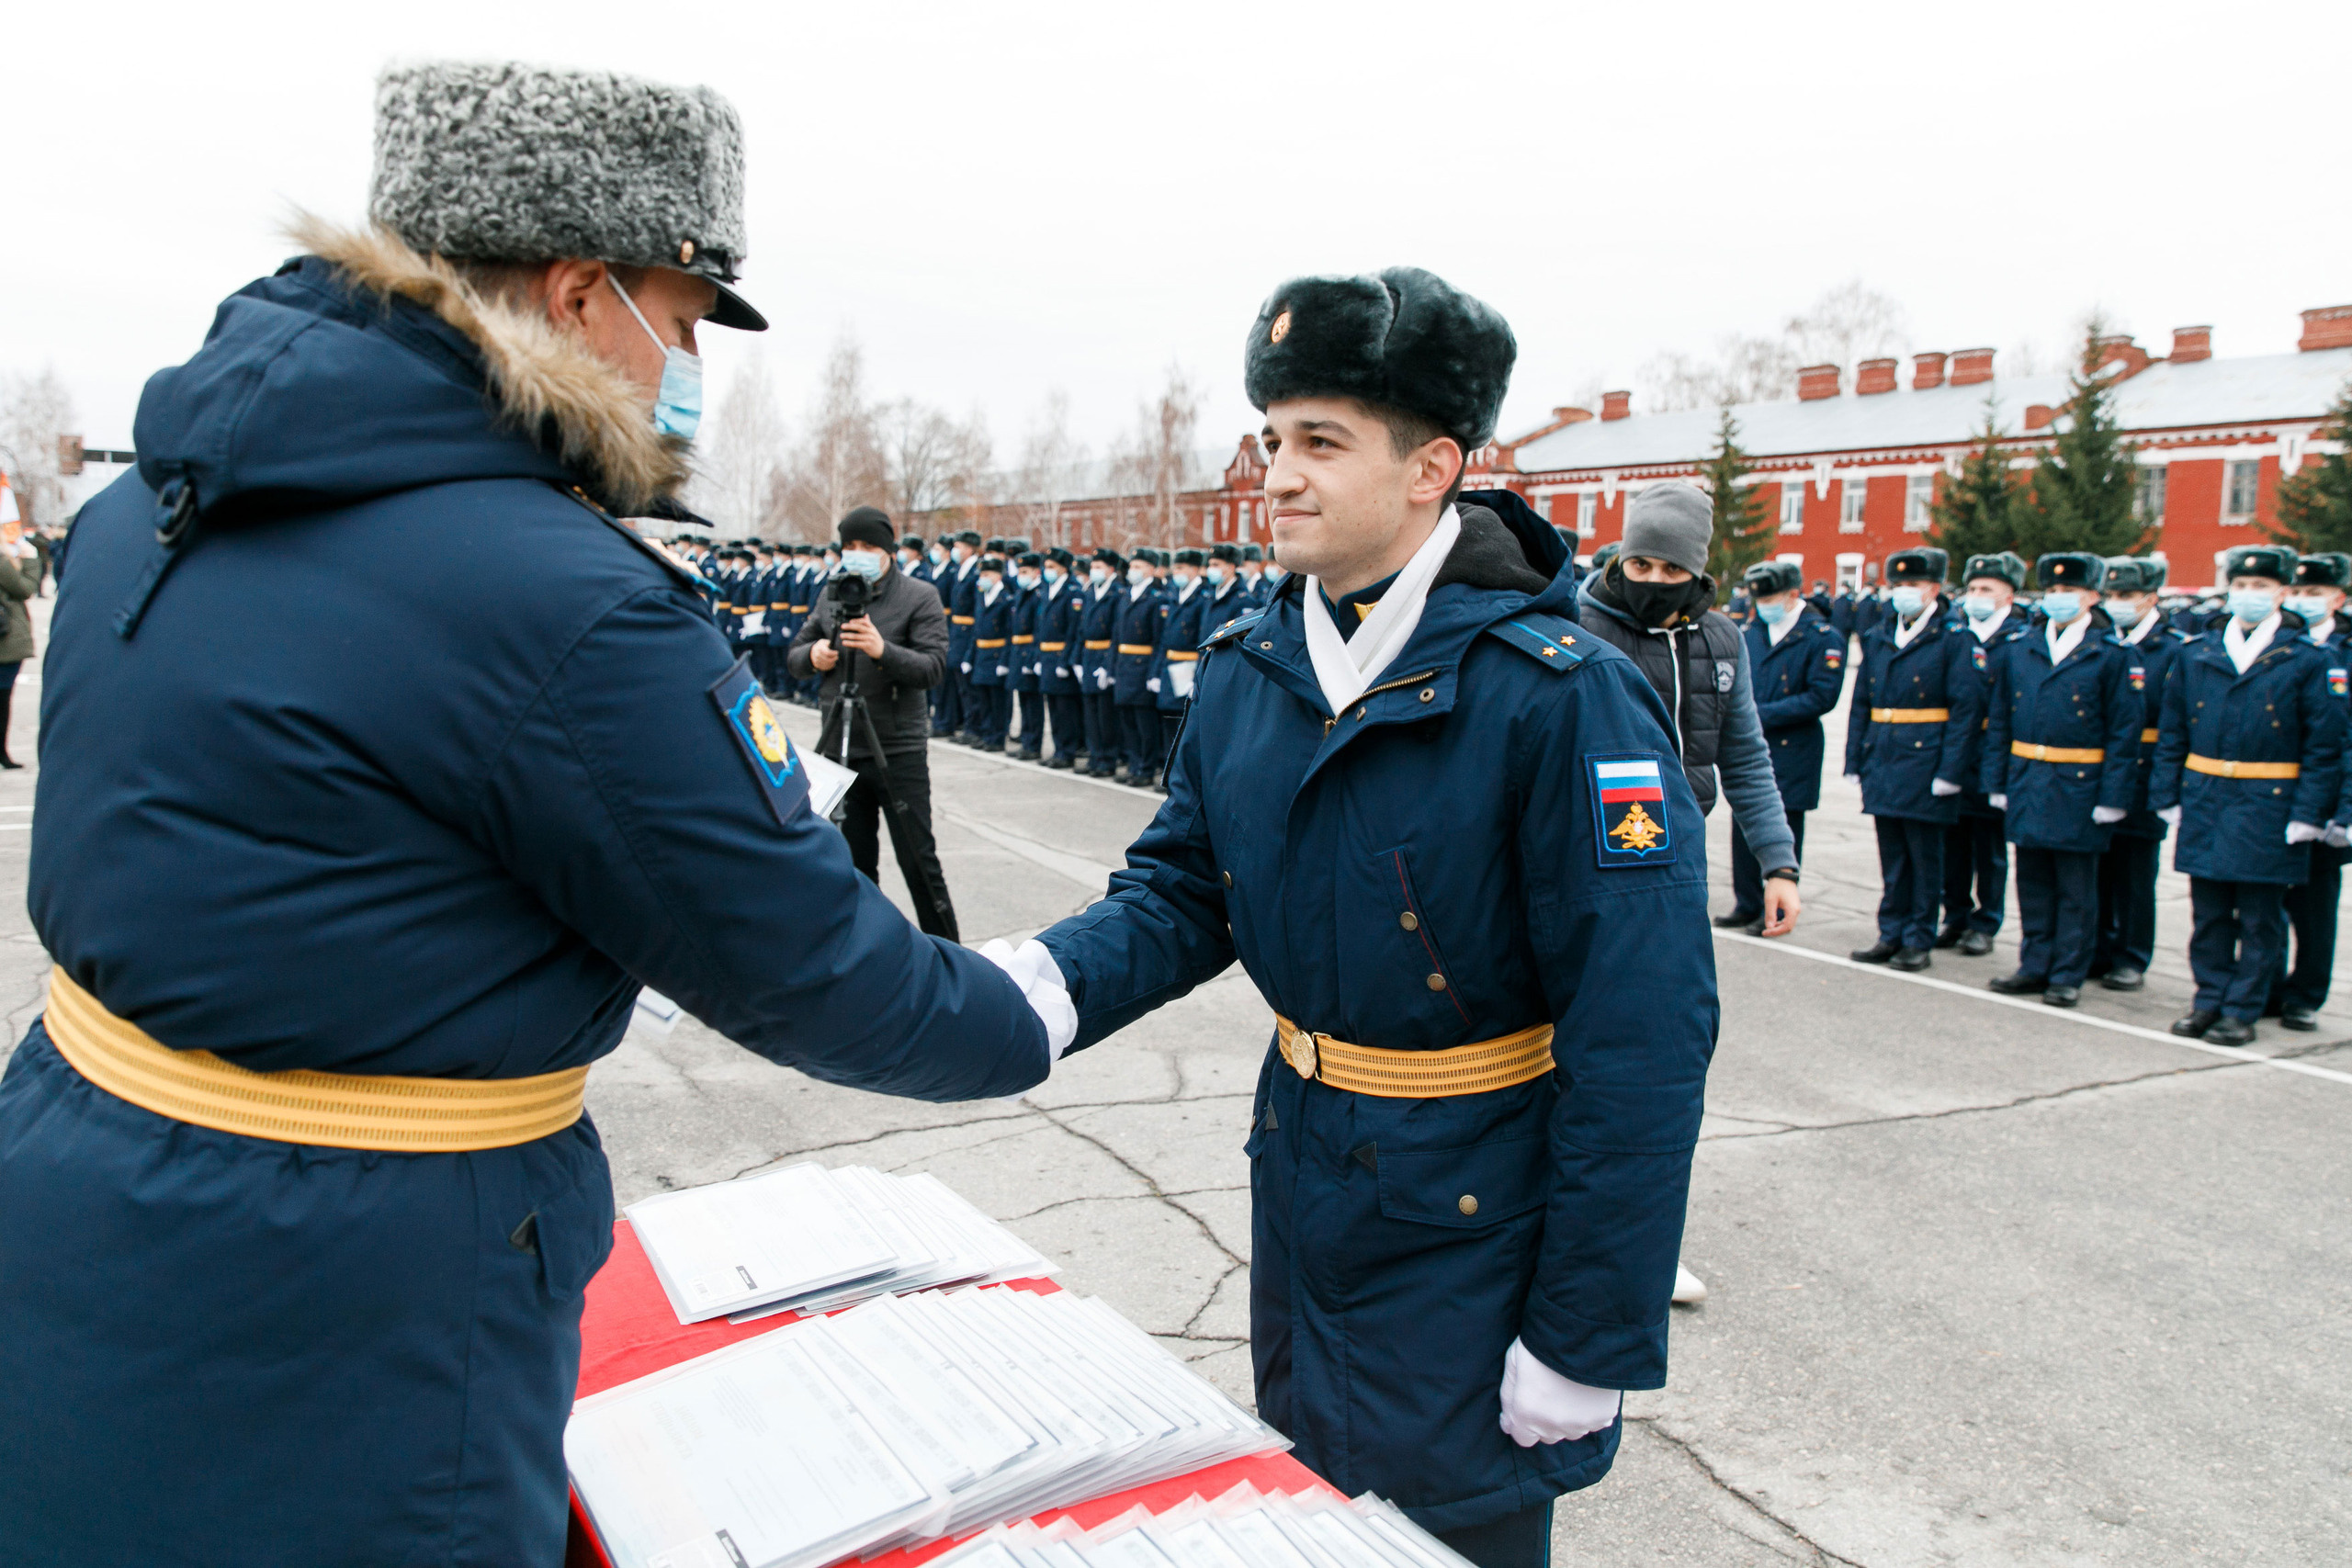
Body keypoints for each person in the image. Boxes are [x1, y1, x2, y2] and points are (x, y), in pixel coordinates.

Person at [0, 62, 1058, 1568]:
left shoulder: (139, 512)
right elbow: (825, 980)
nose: (691, 369)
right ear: (579, 297)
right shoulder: (556, 595)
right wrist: (1047, 998)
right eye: (686, 322)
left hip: (77, 1187)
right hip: (355, 1295)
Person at [1028, 266, 1716, 1567]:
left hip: (1475, 1211)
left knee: (1456, 1538)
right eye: (1272, 438)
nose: (1277, 473)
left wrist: (1588, 1328)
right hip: (1308, 1171)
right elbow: (1180, 888)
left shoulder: (1559, 695)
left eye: (1321, 441)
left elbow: (1644, 1037)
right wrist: (1034, 987)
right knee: (1319, 1517)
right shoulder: (1255, 667)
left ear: (1432, 467)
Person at [1570, 486, 1801, 939]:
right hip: (1585, 853)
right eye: (1641, 565)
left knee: (1676, 992)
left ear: (1697, 572)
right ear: (1622, 561)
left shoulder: (1724, 640)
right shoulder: (1575, 628)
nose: (1654, 579)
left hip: (1683, 847)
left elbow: (1746, 759)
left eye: (1672, 569)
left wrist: (1780, 865)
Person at [2151, 545, 2347, 1045]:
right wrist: (2168, 792)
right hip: (2208, 794)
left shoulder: (2307, 659)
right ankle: (2209, 999)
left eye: (2260, 587)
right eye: (2240, 585)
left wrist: (2309, 813)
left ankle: (2243, 1007)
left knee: (2261, 916)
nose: (2248, 594)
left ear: (2282, 593)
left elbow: (2325, 746)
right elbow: (2173, 730)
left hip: (2269, 800)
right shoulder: (2198, 652)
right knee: (2210, 912)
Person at [1978, 554, 2143, 1007]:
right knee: (2032, 881)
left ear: (2092, 596)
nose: (2057, 599)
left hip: (2079, 783)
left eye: (2067, 591)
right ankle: (2034, 964)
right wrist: (1998, 780)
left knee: (2075, 888)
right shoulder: (2021, 647)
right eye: (2050, 591)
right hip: (2029, 776)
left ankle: (2067, 972)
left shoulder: (2113, 653)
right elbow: (2000, 720)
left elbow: (2124, 733)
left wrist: (2113, 796)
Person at [786, 506, 959, 938]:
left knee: (919, 861)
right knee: (853, 866)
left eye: (868, 547)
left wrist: (883, 650)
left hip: (897, 749)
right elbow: (795, 655)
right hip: (844, 747)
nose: (857, 554)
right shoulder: (832, 594)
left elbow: (933, 668)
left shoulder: (919, 595)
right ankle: (869, 952)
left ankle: (951, 955)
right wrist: (813, 656)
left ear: (888, 551)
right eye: (849, 546)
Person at [1845, 548, 1984, 969]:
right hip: (1884, 756)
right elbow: (1862, 702)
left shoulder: (1954, 638)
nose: (1904, 592)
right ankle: (1891, 932)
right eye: (1898, 585)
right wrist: (1855, 757)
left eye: (1914, 585)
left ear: (1934, 589)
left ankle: (1918, 937)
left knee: (1925, 857)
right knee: (1893, 855)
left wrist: (1951, 771)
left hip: (1927, 760)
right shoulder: (1880, 634)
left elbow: (1966, 710)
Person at [1721, 558, 1842, 934]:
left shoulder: (1821, 636)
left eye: (1770, 598)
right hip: (1749, 744)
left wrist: (1759, 714)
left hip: (1794, 745)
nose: (1762, 606)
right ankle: (1747, 902)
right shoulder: (1750, 632)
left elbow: (1821, 696)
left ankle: (1775, 909)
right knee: (1743, 825)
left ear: (1793, 595)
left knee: (1782, 828)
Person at [2093, 557, 2188, 989]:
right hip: (2095, 769)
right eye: (2111, 595)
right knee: (2094, 866)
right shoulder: (2098, 640)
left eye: (2127, 596)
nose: (2117, 604)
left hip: (2143, 769)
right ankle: (2095, 947)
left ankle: (2131, 954)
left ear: (2151, 599)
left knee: (2134, 871)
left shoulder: (2172, 648)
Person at [2268, 552, 2352, 1028]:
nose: (2303, 601)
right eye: (2297, 592)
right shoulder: (2282, 643)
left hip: (2327, 796)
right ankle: (2267, 984)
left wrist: (2343, 809)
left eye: (2314, 593)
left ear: (2338, 598)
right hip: (2273, 790)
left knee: (2314, 905)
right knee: (2264, 900)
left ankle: (2305, 994)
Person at [1939, 553, 2030, 955]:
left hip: (1993, 754)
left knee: (1989, 848)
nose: (1976, 596)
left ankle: (1986, 921)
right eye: (1972, 589)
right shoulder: (1955, 632)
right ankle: (1955, 914)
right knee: (1952, 843)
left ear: (2008, 595)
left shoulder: (2020, 638)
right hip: (1953, 752)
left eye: (1986, 590)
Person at [1113, 549, 1166, 786]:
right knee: (1127, 721)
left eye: (1139, 566)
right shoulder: (1125, 595)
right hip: (1124, 665)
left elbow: (1158, 640)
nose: (1133, 570)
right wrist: (1111, 666)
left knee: (1144, 722)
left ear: (1152, 569)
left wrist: (1154, 672)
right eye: (1132, 565)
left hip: (1142, 667)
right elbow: (1117, 635)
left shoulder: (1156, 598)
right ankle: (1134, 764)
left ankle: (1146, 767)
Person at [967, 552, 1013, 750]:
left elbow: (1010, 634)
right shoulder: (982, 595)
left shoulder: (1005, 599)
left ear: (997, 576)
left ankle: (997, 737)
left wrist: (1004, 661)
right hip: (981, 654)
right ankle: (986, 734)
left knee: (997, 701)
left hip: (996, 655)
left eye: (986, 575)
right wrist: (969, 656)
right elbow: (977, 629)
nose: (982, 579)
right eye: (981, 574)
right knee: (983, 699)